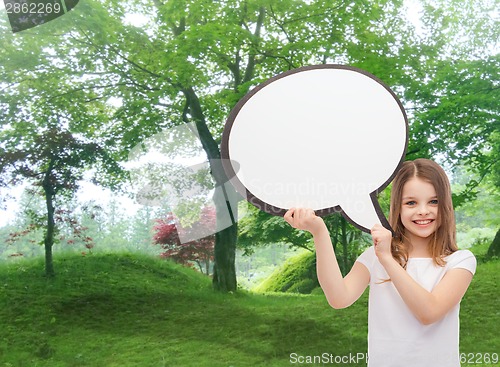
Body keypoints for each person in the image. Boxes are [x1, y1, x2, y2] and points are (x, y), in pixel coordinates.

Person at [283, 158, 476, 367]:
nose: (423, 211)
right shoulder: (373, 256)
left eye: (433, 201)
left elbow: (429, 313)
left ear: (445, 205)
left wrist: (387, 258)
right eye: (411, 202)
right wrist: (319, 231)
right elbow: (339, 298)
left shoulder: (460, 261)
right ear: (398, 207)